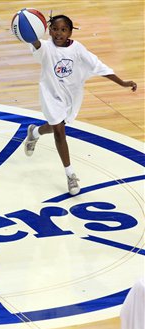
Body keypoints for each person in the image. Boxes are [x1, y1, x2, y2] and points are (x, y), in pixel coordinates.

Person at [23, 14, 137, 195]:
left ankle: (34, 132)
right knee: (60, 132)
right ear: (49, 30)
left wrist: (122, 83)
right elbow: (35, 42)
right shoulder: (44, 47)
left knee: (56, 127)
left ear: (70, 32)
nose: (58, 33)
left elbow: (99, 67)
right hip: (50, 95)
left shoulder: (78, 49)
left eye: (63, 30)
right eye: (55, 29)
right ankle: (70, 175)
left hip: (71, 97)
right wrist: (27, 31)